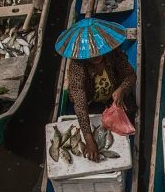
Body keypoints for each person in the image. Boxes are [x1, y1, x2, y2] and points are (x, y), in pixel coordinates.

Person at [54, 17, 136, 161]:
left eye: (99, 51)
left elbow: (130, 75)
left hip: (114, 98)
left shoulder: (114, 53)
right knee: (92, 123)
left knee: (129, 121)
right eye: (91, 54)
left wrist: (122, 89)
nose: (97, 56)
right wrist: (88, 138)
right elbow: (79, 102)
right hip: (91, 101)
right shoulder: (77, 67)